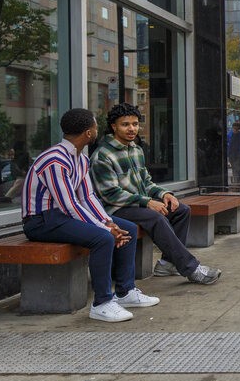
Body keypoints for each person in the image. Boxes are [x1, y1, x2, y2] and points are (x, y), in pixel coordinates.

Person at [21, 108, 159, 322]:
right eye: (95, 126)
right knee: (102, 238)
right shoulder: (55, 160)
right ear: (88, 133)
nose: (97, 130)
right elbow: (69, 205)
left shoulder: (80, 159)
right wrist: (105, 229)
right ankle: (102, 303)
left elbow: (88, 197)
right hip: (41, 220)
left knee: (128, 227)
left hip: (62, 216)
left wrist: (108, 221)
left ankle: (125, 292)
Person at [91, 102, 221, 285]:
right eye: (125, 124)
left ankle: (167, 264)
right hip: (115, 209)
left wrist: (164, 194)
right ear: (114, 126)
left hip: (137, 204)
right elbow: (110, 194)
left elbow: (146, 182)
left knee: (181, 210)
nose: (131, 129)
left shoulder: (135, 150)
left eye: (135, 124)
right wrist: (147, 202)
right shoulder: (102, 156)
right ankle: (191, 268)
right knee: (156, 217)